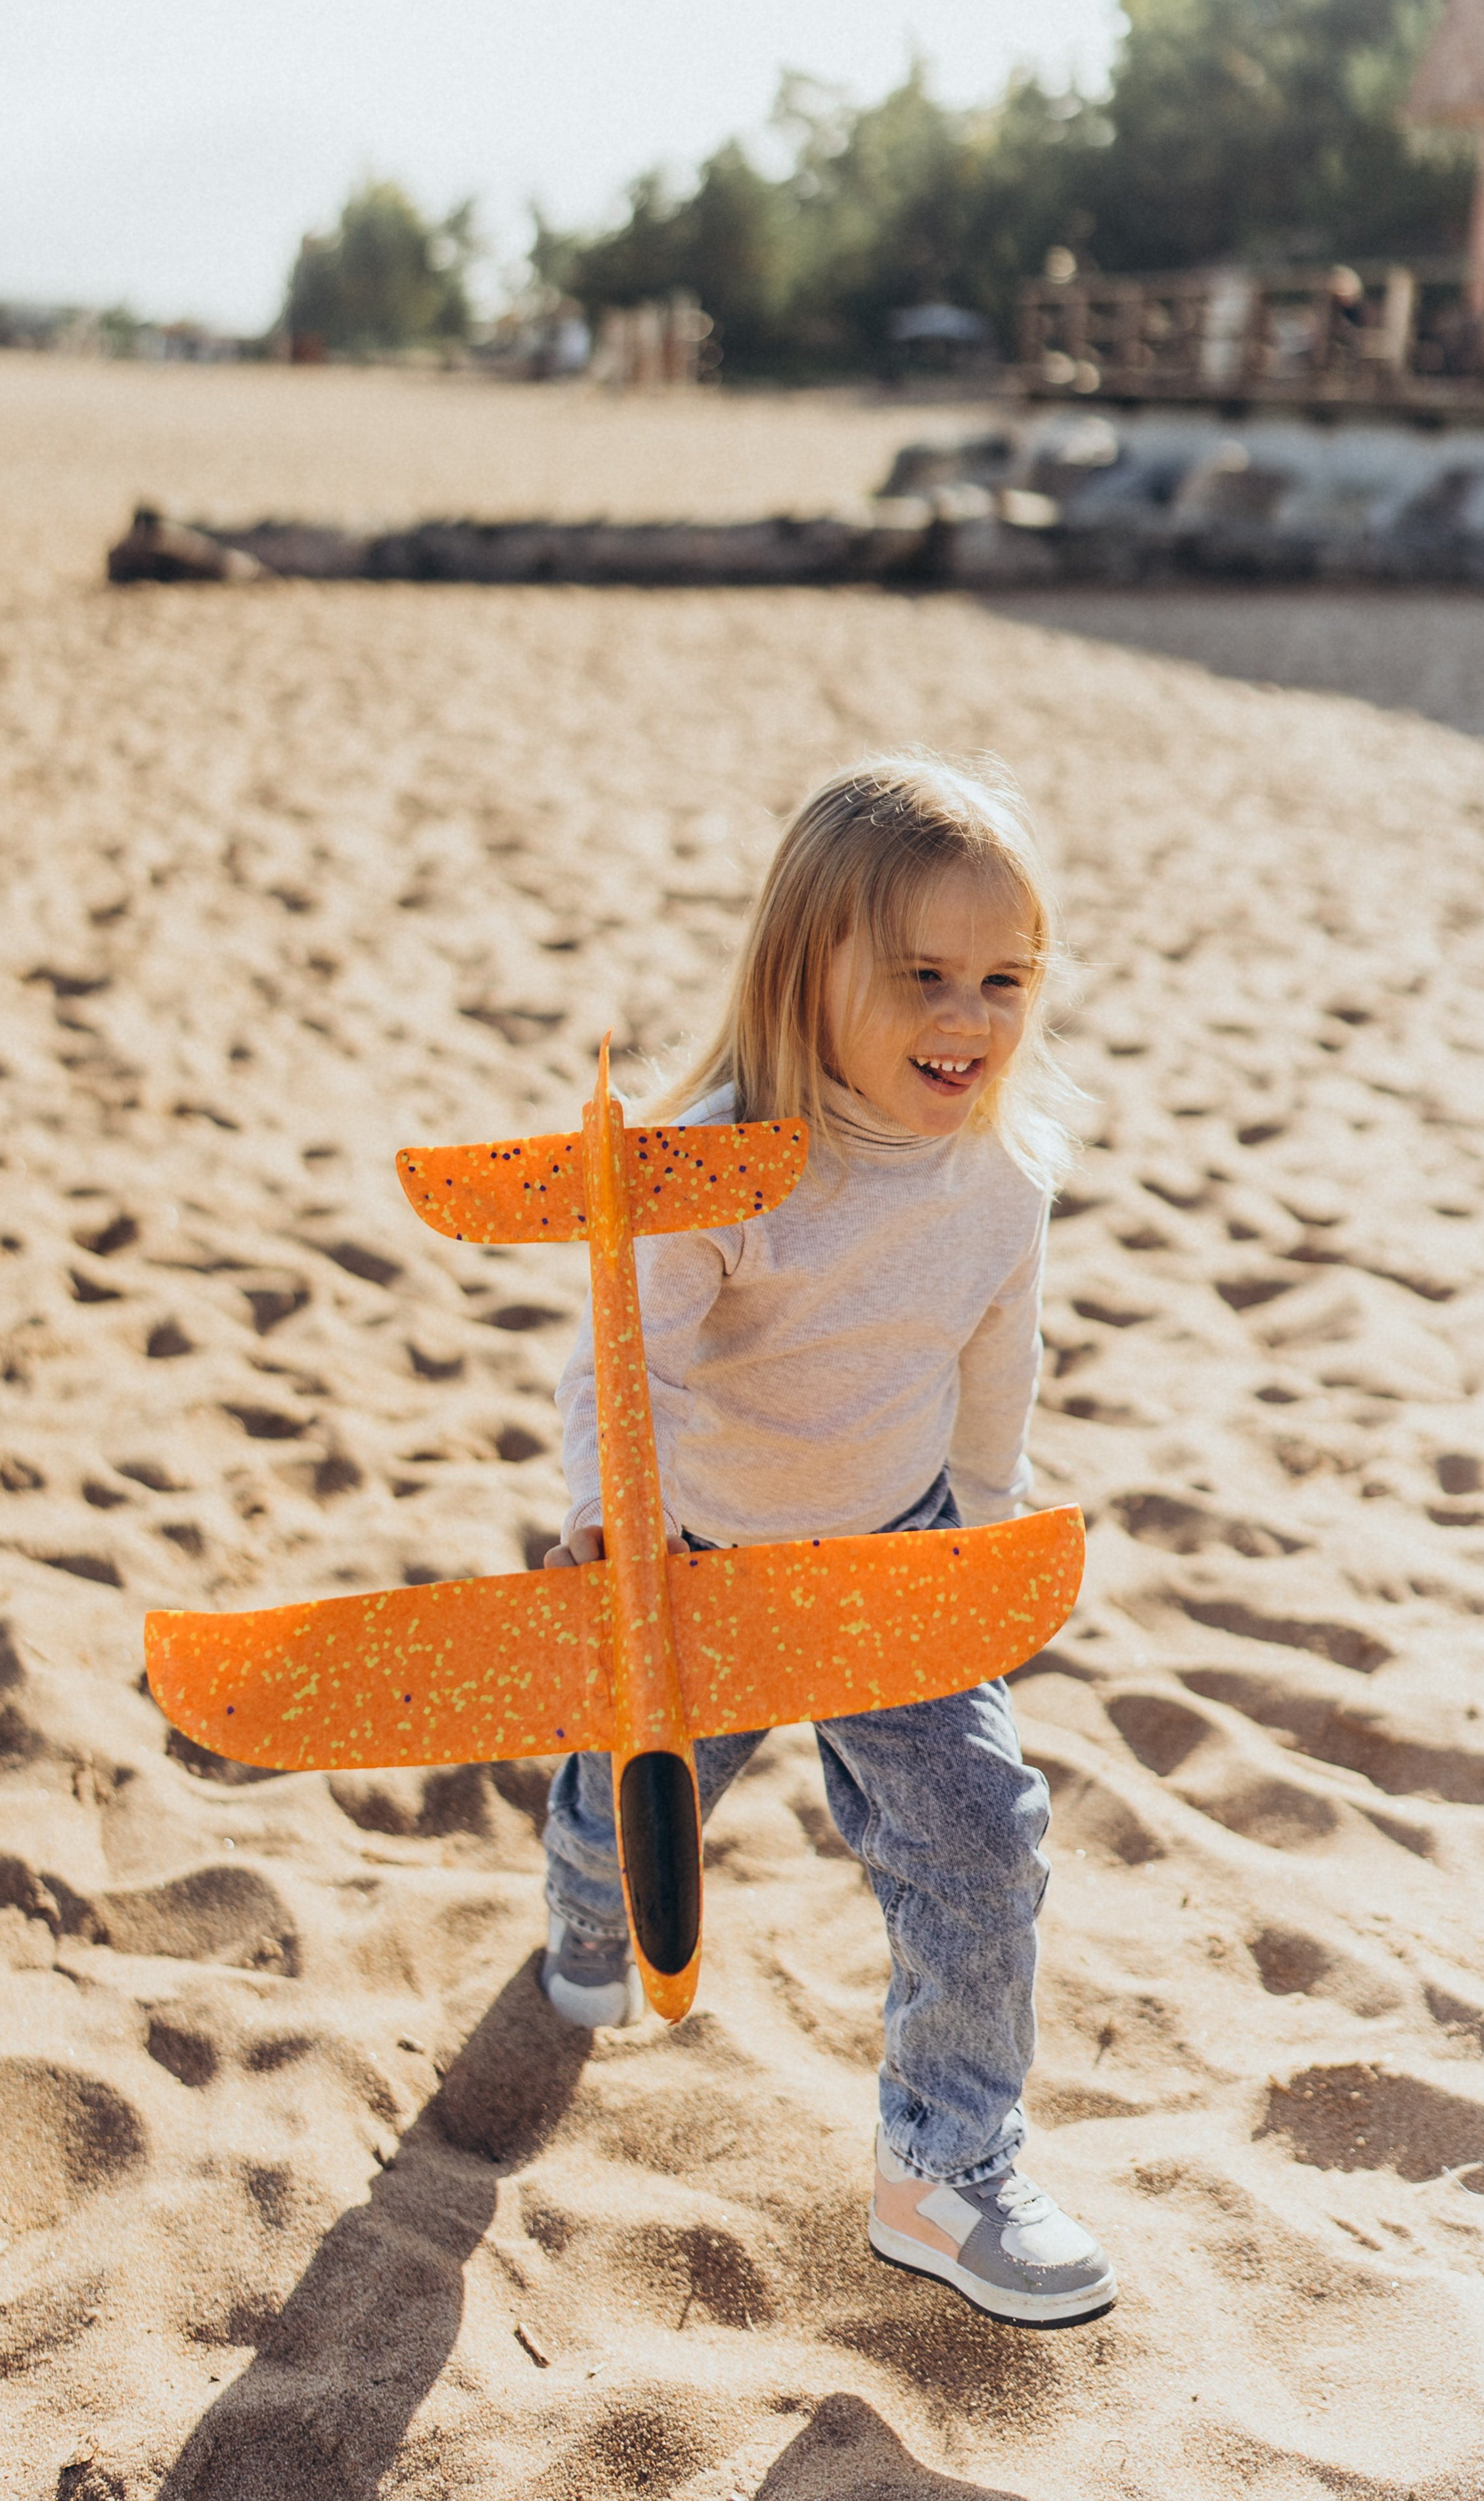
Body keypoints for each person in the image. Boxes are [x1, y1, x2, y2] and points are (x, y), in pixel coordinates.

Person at [539, 754, 1115, 2326]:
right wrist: (602, 1517)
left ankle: (944, 2163)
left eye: (1003, 980)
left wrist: (968, 1560)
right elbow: (619, 1351)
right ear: (805, 972)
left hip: (890, 1550)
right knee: (635, 1795)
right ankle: (586, 1900)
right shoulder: (720, 1167)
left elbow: (999, 1360)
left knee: (979, 1840)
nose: (968, 1019)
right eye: (923, 976)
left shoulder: (1003, 1171)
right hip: (706, 1556)